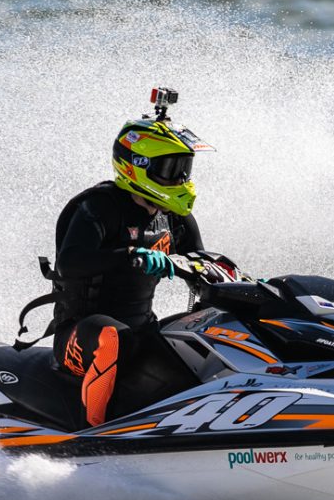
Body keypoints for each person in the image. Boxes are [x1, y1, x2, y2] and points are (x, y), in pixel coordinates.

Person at [21, 89, 214, 427]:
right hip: (81, 336)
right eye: (171, 169)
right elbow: (70, 262)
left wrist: (244, 286)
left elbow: (201, 262)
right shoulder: (98, 207)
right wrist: (130, 254)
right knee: (113, 337)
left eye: (184, 169)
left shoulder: (174, 217)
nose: (181, 179)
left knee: (200, 340)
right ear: (137, 166)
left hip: (141, 329)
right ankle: (95, 437)